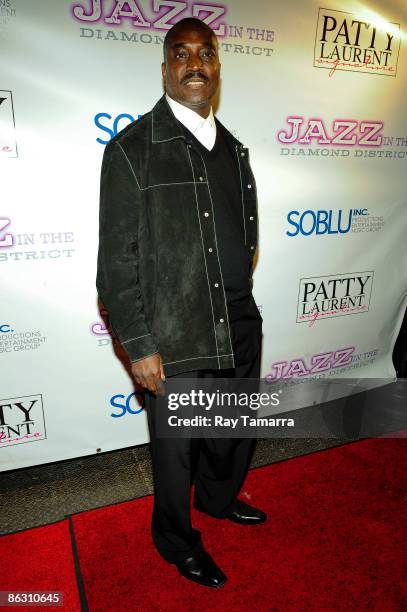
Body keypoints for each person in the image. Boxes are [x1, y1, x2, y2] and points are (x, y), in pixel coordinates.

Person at [96, 17, 266, 589]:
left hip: (237, 319)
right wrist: (138, 343)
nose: (196, 64)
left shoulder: (235, 149)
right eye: (182, 54)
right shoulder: (132, 149)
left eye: (207, 54)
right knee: (175, 453)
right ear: (166, 67)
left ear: (217, 67)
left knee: (229, 431)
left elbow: (247, 236)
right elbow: (117, 262)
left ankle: (218, 501)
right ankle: (175, 538)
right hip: (175, 332)